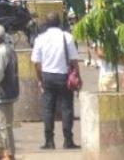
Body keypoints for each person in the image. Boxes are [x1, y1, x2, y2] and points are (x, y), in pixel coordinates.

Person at [31, 12, 80, 150]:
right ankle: (68, 140)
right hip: (64, 75)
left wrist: (40, 79)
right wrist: (78, 77)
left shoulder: (40, 39)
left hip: (48, 76)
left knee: (48, 109)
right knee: (67, 108)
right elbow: (74, 60)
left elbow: (36, 62)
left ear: (46, 24)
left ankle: (49, 141)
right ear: (60, 23)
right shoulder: (68, 37)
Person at [0, 24, 19, 160]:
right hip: (10, 90)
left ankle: (9, 154)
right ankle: (2, 150)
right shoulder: (9, 49)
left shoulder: (1, 52)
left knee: (4, 125)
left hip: (4, 93)